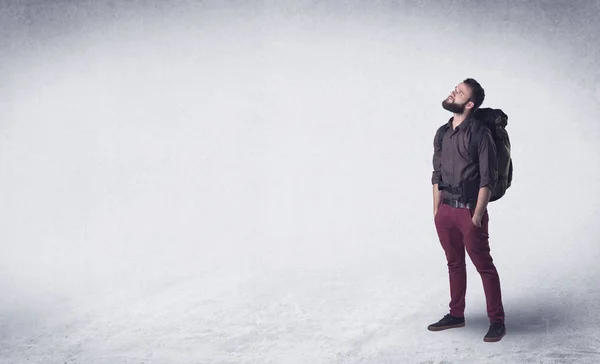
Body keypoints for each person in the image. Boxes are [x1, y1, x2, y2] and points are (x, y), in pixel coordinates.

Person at [428, 78, 506, 342]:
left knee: (484, 266)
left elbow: (488, 178)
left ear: (469, 104)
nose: (453, 92)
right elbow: (436, 174)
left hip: (469, 212)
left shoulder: (480, 135)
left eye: (459, 92)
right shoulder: (442, 132)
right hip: (446, 211)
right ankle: (456, 314)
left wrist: (476, 216)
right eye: (454, 89)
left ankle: (497, 321)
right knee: (454, 263)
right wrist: (437, 211)